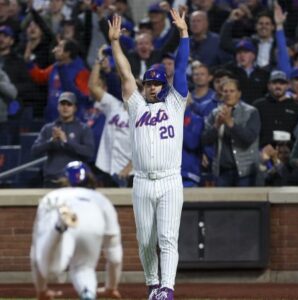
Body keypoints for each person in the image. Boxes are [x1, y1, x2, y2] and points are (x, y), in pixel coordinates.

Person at [109, 8, 189, 300]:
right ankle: (153, 284)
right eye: (149, 83)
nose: (153, 87)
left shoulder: (176, 104)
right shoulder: (136, 106)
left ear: (164, 85)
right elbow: (124, 72)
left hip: (169, 180)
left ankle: (167, 289)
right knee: (145, 241)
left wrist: (183, 33)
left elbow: (180, 67)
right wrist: (116, 43)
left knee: (168, 238)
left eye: (157, 82)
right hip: (142, 180)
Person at [30, 161, 123, 300]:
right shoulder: (101, 199)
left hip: (58, 219)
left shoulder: (51, 196)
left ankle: (59, 227)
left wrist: (41, 290)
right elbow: (115, 256)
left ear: (64, 179)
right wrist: (111, 287)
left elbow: (36, 250)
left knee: (47, 265)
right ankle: (87, 293)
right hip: (92, 223)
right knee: (84, 268)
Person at [201, 79, 261, 187]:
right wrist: (216, 126)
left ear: (239, 93)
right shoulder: (215, 113)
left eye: (232, 91)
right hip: (222, 171)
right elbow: (205, 140)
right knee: (222, 204)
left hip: (245, 172)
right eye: (225, 91)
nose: (228, 94)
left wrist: (230, 123)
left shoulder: (251, 112)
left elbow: (249, 138)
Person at [88, 45, 132, 187]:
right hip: (107, 167)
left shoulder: (145, 115)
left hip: (132, 173)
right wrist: (98, 61)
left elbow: (146, 148)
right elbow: (93, 86)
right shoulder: (114, 105)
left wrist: (129, 168)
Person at [31, 92, 95, 187]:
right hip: (52, 179)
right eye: (62, 104)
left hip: (75, 180)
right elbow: (34, 151)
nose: (65, 107)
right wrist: (51, 142)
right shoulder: (48, 128)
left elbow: (89, 153)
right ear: (58, 107)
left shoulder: (83, 129)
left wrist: (66, 142)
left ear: (75, 108)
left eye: (69, 105)